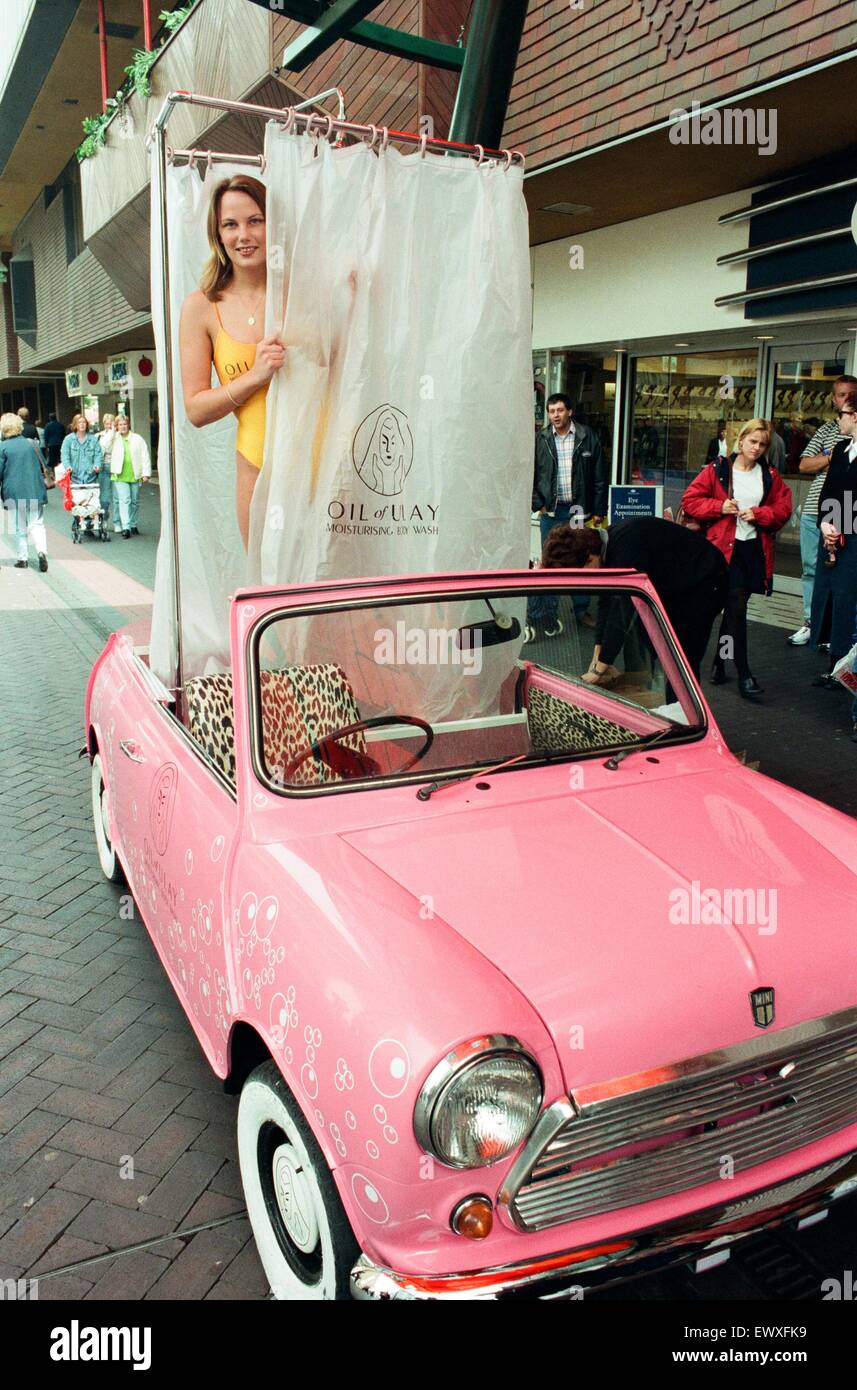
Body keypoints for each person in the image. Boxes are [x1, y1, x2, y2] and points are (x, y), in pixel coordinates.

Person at [180, 175, 285, 549]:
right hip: (256, 469)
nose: (244, 234)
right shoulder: (202, 306)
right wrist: (255, 376)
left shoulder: (301, 291)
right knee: (272, 594)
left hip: (322, 467)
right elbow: (195, 409)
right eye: (231, 224)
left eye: (255, 220)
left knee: (338, 597)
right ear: (218, 234)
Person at [680, 419, 792, 700]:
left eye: (762, 444)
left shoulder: (769, 475)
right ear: (740, 440)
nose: (757, 448)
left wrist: (760, 514)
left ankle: (720, 661)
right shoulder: (718, 470)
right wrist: (719, 506)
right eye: (752, 441)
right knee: (736, 607)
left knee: (734, 610)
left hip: (751, 551)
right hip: (722, 551)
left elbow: (783, 508)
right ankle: (744, 674)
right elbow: (689, 500)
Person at [583, 516, 729, 687]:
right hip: (675, 581)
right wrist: (597, 652)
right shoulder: (604, 548)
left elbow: (621, 611)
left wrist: (599, 668)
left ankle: (680, 710)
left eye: (584, 571)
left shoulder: (625, 549)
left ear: (589, 557)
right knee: (645, 643)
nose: (587, 578)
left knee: (682, 660)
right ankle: (649, 694)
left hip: (706, 580)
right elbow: (605, 602)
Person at [787, 375, 857, 646]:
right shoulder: (829, 431)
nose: (844, 399)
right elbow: (804, 465)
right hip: (819, 511)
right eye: (840, 394)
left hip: (844, 516)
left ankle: (836, 635)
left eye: (850, 395)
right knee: (812, 569)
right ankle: (812, 622)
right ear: (833, 398)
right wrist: (833, 457)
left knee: (842, 577)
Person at [530, 392, 608, 635]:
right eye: (551, 411)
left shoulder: (587, 436)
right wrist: (538, 503)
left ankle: (581, 610)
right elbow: (530, 473)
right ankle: (546, 615)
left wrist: (598, 509)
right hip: (551, 510)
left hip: (577, 509)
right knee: (551, 561)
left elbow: (599, 476)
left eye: (560, 410)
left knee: (580, 559)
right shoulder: (541, 439)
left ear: (570, 412)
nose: (555, 415)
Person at [810, 386, 857, 691]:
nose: (838, 419)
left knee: (849, 601)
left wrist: (841, 525)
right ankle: (836, 665)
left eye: (842, 414)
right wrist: (828, 525)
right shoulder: (841, 450)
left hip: (853, 538)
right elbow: (831, 492)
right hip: (837, 538)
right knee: (834, 600)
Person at [0, 412, 48, 571]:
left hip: (14, 492)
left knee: (20, 526)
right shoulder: (31, 443)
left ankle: (23, 558)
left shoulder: (3, 447)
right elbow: (44, 465)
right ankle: (41, 552)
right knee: (37, 524)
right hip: (34, 489)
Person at [104, 413, 151, 538]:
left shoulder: (137, 438)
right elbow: (104, 445)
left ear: (128, 425)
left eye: (124, 424)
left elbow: (144, 455)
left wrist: (146, 473)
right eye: (120, 424)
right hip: (119, 474)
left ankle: (133, 524)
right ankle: (126, 527)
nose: (123, 427)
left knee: (135, 501)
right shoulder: (114, 438)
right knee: (125, 500)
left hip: (135, 474)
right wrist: (112, 432)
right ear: (117, 426)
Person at [99, 413, 118, 533]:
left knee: (118, 497)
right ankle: (104, 518)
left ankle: (118, 522)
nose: (108, 425)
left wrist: (112, 433)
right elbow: (104, 446)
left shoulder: (118, 435)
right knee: (104, 496)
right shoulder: (99, 436)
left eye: (111, 423)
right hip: (104, 467)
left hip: (116, 467)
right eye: (106, 423)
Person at [43, 412, 66, 480]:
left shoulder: (47, 425)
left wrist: (46, 444)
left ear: (50, 418)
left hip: (51, 444)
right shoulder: (60, 425)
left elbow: (46, 436)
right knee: (59, 458)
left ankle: (54, 473)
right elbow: (64, 434)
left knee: (52, 459)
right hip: (60, 443)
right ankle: (61, 472)